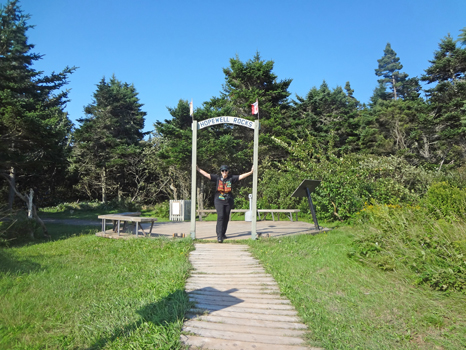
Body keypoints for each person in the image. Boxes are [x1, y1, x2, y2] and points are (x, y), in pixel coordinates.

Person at [196, 164, 254, 243]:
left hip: (228, 201)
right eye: (223, 171)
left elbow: (241, 176)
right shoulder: (217, 178)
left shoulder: (231, 178)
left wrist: (251, 172)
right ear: (221, 172)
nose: (224, 172)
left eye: (226, 171)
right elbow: (206, 175)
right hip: (219, 200)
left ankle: (223, 234)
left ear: (228, 171)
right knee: (221, 216)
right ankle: (219, 236)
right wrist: (198, 169)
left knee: (226, 217)